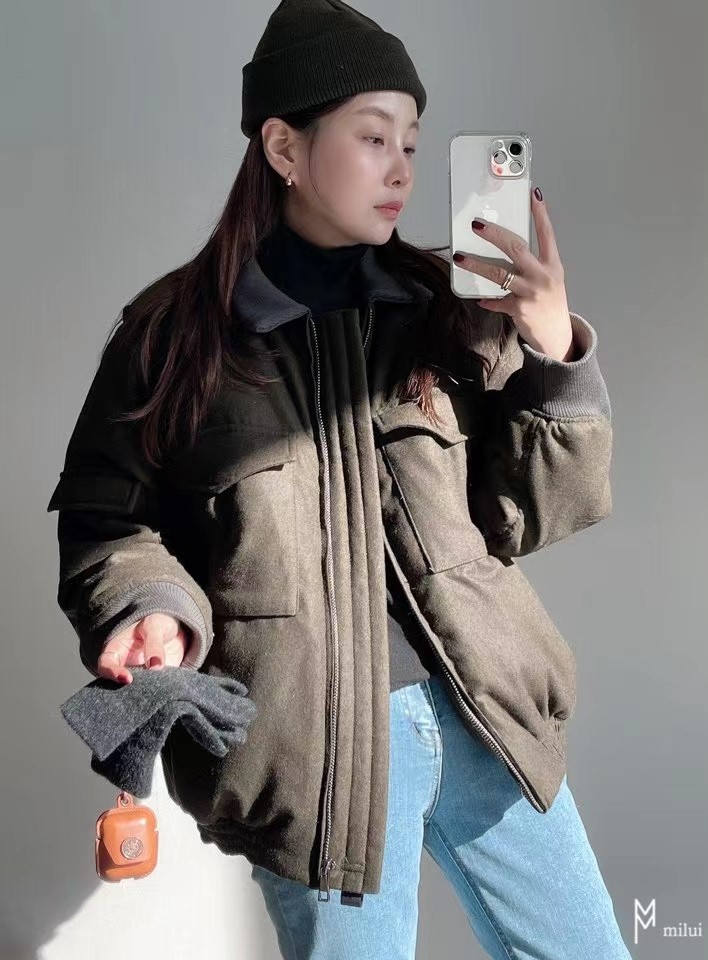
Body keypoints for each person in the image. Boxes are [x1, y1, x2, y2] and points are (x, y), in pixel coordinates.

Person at [47, 0, 634, 957]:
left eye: (412, 141)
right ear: (284, 146)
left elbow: (530, 515)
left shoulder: (446, 310)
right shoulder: (173, 337)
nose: (402, 166)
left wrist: (553, 353)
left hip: (489, 720)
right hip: (314, 765)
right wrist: (154, 608)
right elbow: (108, 523)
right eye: (373, 137)